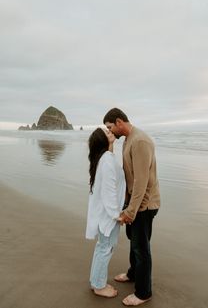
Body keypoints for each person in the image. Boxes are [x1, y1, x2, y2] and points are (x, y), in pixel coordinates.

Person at [103, 108, 160, 306]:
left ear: (119, 122)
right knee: (134, 242)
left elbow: (141, 182)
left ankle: (144, 293)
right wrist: (127, 205)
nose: (110, 132)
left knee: (141, 247)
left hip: (145, 205)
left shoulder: (140, 141)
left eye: (110, 127)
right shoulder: (129, 139)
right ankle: (133, 274)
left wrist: (132, 211)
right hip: (136, 204)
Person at [85, 127, 126, 298]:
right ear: (103, 141)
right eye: (106, 133)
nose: (110, 131)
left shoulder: (104, 158)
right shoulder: (107, 160)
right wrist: (118, 215)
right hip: (109, 216)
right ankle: (99, 286)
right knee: (105, 249)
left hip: (104, 214)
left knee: (102, 247)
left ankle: (96, 281)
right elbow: (109, 192)